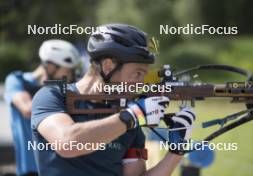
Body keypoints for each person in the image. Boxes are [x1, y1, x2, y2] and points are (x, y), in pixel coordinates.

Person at [31, 24, 196, 176]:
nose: (140, 84)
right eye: (137, 73)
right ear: (108, 66)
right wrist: (133, 116)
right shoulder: (52, 96)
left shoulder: (128, 115)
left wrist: (176, 151)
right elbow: (68, 143)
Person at [4, 39, 81, 176]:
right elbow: (27, 110)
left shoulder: (64, 89)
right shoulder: (17, 80)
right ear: (51, 67)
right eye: (69, 71)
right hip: (30, 170)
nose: (72, 76)